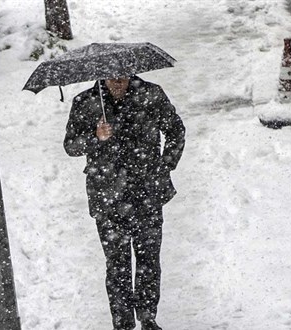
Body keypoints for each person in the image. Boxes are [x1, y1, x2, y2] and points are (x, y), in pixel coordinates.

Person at [64, 76, 185, 330]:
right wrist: (95, 136)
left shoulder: (151, 94)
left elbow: (175, 130)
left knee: (148, 259)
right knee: (116, 264)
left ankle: (147, 317)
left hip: (147, 193)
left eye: (123, 75)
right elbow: (71, 145)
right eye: (112, 77)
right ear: (102, 76)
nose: (118, 81)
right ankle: (122, 323)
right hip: (107, 197)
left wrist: (164, 166)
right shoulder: (86, 101)